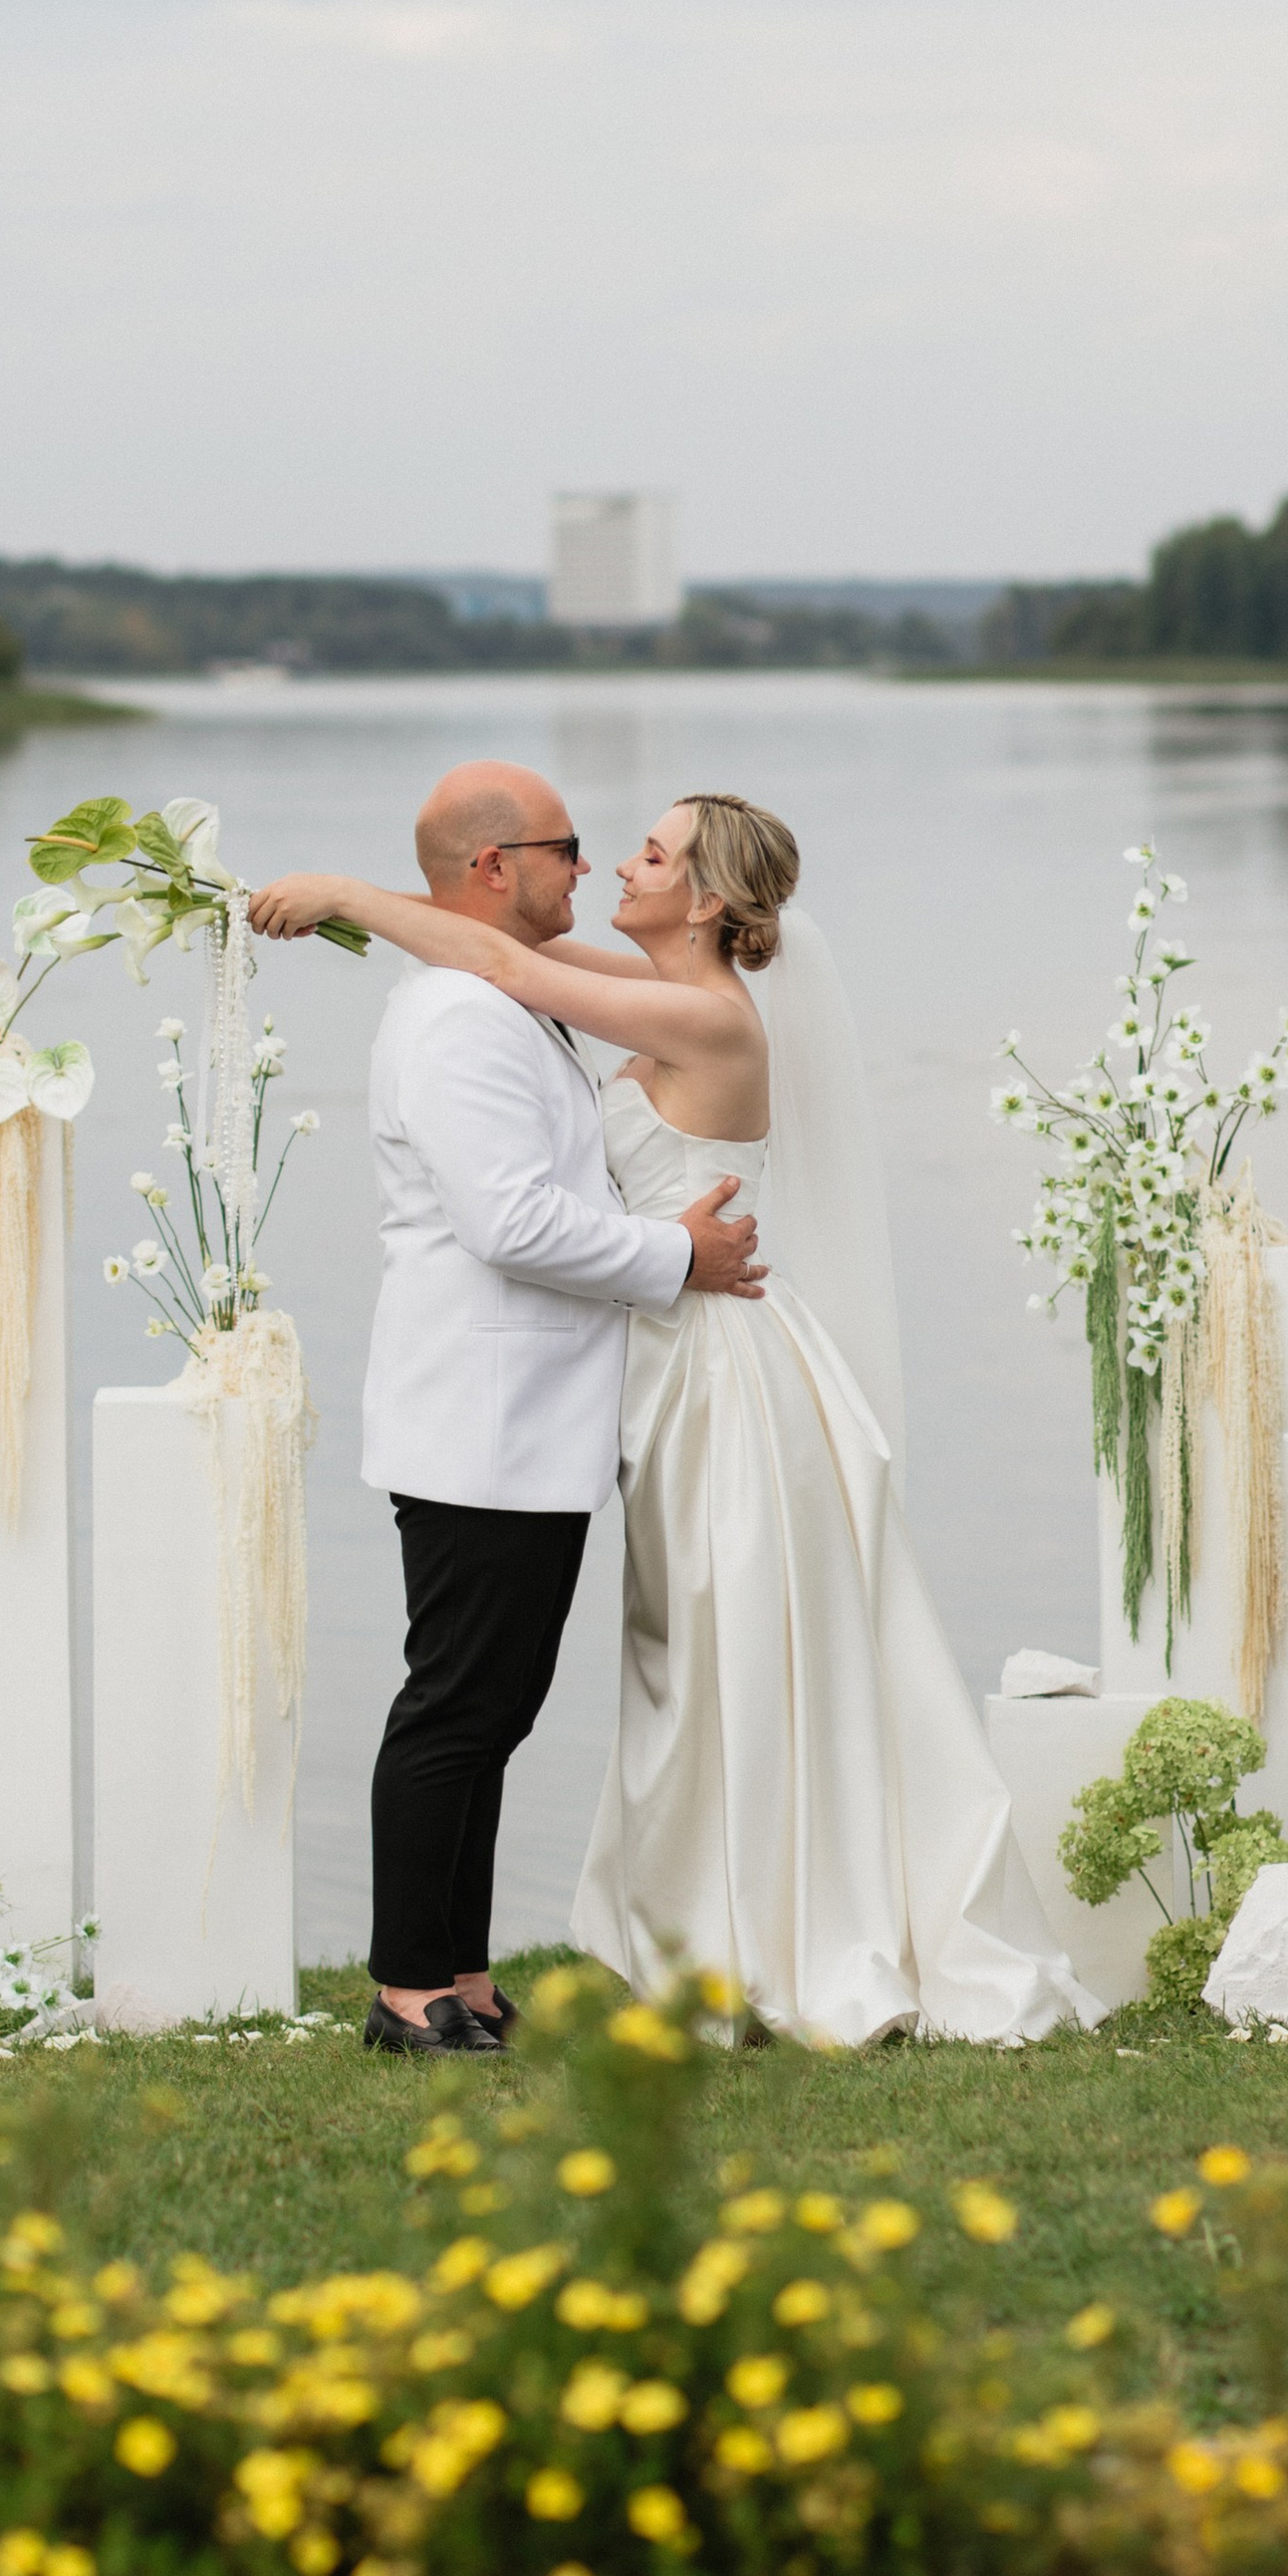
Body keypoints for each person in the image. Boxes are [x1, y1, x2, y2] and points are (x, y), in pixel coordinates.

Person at [253, 790, 1094, 2048]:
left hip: (719, 1374)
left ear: (705, 899)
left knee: (718, 1658)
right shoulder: (607, 992)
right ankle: (553, 1959)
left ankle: (744, 1932)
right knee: (660, 1668)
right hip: (656, 1370)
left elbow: (495, 951)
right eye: (593, 849)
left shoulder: (699, 1017)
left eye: (645, 854)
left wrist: (340, 892)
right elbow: (497, 953)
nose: (610, 867)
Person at [264, 762, 766, 2057]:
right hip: (481, 1418)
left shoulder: (502, 997)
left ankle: (464, 1972)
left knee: (495, 1707)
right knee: (456, 1706)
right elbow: (511, 1223)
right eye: (566, 849)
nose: (584, 869)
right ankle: (407, 1989)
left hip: (530, 1417)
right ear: (496, 867)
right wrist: (676, 1260)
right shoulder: (457, 1022)